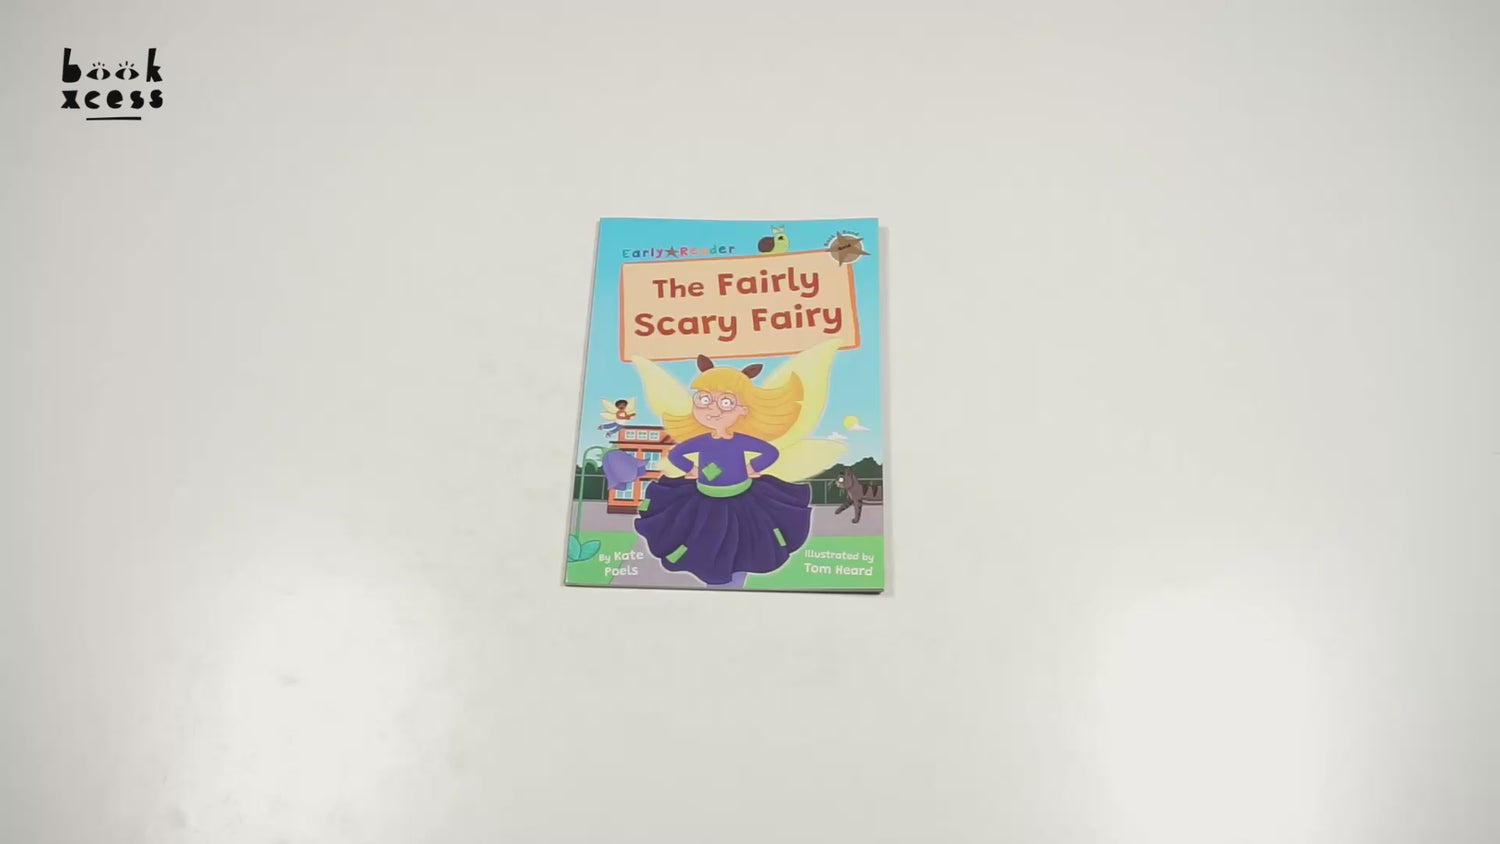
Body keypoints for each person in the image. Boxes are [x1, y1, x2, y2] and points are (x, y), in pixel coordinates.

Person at [633, 356, 812, 586]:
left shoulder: (741, 441)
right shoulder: (701, 441)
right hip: (704, 499)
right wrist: (692, 469)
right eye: (704, 399)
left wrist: (752, 468)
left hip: (743, 499)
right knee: (707, 543)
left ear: (743, 410)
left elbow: (770, 452)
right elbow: (677, 454)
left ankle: (734, 581)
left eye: (726, 402)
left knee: (744, 543)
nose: (713, 408)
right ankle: (717, 582)